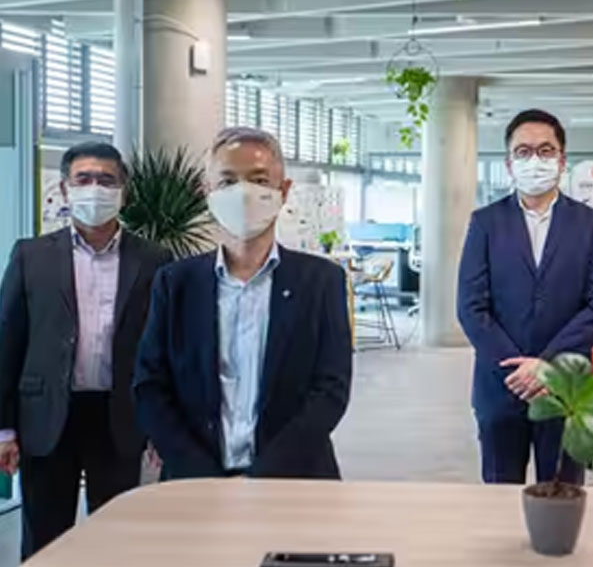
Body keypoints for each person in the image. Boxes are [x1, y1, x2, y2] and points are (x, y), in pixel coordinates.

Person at [134, 127, 352, 480]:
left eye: (259, 179)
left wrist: (265, 474)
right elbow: (150, 384)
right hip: (195, 481)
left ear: (284, 191)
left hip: (294, 479)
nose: (243, 193)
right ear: (207, 193)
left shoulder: (321, 282)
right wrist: (197, 468)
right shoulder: (175, 283)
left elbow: (331, 389)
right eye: (227, 181)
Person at [0, 143, 171, 558]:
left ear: (123, 191)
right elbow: (7, 344)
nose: (95, 188)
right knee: (45, 538)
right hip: (48, 417)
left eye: (106, 180)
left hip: (119, 417)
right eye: (84, 179)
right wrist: (4, 429)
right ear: (64, 188)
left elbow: (167, 346)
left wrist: (162, 425)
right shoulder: (31, 255)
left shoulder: (154, 259)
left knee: (116, 537)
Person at [457, 109, 593, 484]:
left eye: (546, 150)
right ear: (509, 164)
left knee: (562, 496)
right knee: (498, 495)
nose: (535, 160)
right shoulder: (486, 222)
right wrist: (519, 368)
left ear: (562, 161)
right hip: (501, 383)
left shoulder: (589, 223)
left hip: (566, 384)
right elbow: (470, 306)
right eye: (524, 151)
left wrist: (546, 365)